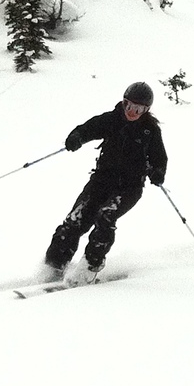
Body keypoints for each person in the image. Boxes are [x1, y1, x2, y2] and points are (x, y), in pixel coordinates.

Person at [42, 82, 168, 286]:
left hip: (129, 187)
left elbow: (159, 158)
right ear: (124, 102)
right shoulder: (111, 120)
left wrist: (157, 172)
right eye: (130, 106)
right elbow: (87, 129)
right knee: (75, 219)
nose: (133, 112)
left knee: (106, 216)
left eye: (139, 109)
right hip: (101, 181)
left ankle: (90, 267)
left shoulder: (150, 131)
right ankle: (53, 266)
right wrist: (76, 137)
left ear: (146, 110)